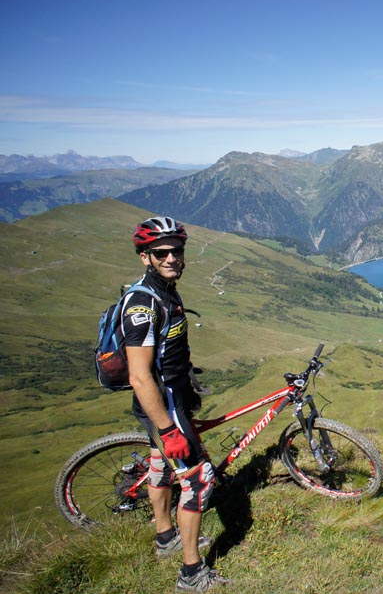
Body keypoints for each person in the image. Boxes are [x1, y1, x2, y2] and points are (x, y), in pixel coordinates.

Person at [124, 216, 226, 592]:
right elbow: (139, 375)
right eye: (161, 252)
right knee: (199, 481)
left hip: (172, 401)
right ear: (144, 257)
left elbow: (169, 357)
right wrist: (168, 429)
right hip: (162, 407)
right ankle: (191, 573)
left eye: (177, 251)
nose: (171, 258)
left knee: (159, 466)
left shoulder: (166, 290)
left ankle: (165, 536)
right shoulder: (142, 304)